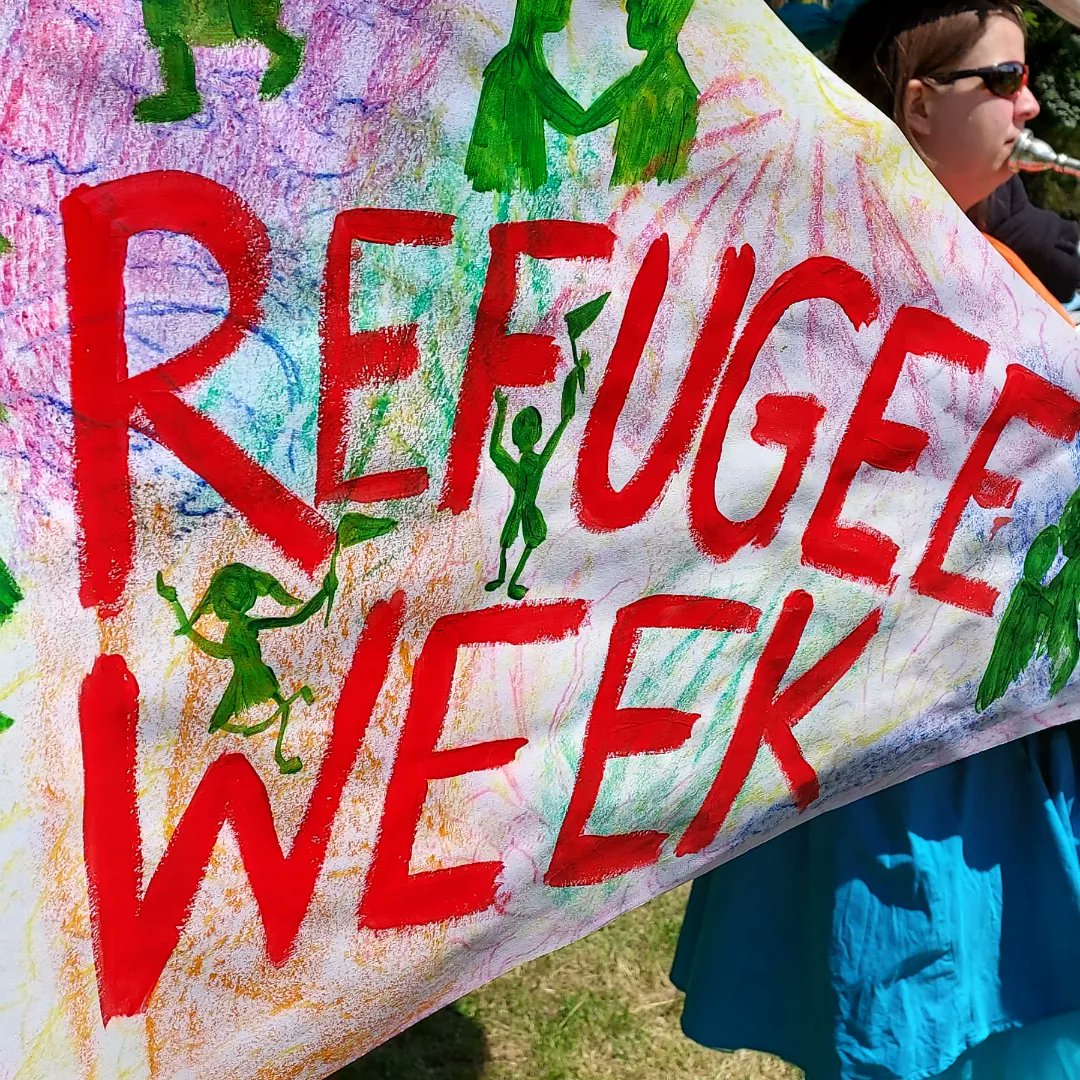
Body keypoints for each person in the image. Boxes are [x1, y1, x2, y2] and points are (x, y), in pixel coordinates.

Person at [673, 3, 1080, 1077]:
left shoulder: (1031, 268)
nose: (1031, 105)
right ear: (916, 105)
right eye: (1004, 81)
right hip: (885, 759)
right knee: (904, 1019)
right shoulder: (804, 283)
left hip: (1016, 753)